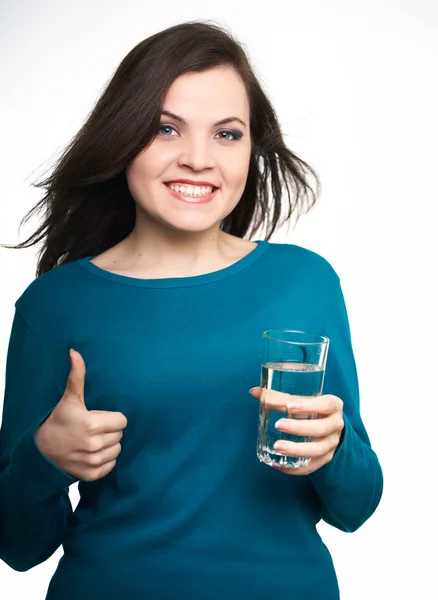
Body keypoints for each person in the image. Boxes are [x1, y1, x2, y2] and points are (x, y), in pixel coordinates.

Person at [0, 20, 383, 600]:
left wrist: (334, 452)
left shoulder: (305, 282)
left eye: (227, 134)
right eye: (165, 129)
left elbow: (355, 507)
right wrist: (43, 459)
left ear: (253, 149)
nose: (198, 159)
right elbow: (20, 548)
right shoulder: (53, 307)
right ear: (122, 137)